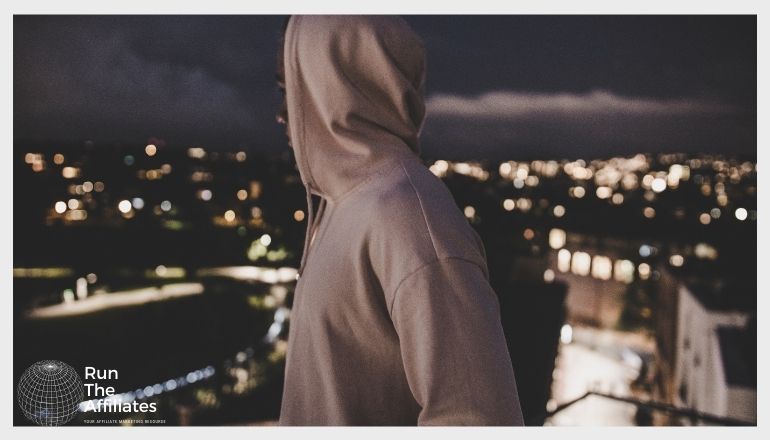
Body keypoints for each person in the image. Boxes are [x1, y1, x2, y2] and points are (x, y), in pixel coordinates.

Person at [275, 15, 524, 426]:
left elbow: (477, 419)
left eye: (293, 89)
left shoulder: (409, 219)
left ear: (336, 85)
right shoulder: (343, 204)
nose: (283, 113)